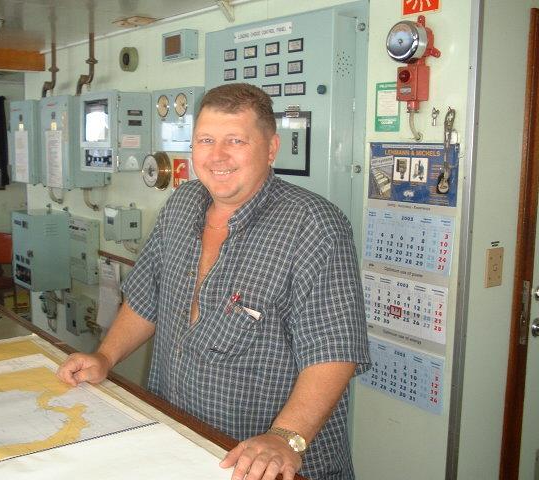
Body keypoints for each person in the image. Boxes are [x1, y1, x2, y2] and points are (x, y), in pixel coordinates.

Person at [57, 83, 370, 480]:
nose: (217, 156)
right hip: (181, 442)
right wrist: (105, 357)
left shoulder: (314, 225)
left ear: (271, 149)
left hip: (267, 463)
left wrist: (285, 438)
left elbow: (334, 351)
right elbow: (145, 297)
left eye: (235, 140)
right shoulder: (183, 202)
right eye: (206, 140)